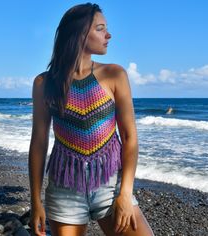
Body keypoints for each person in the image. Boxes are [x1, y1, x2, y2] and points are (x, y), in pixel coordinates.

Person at [28, 3, 154, 236]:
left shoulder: (114, 74)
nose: (108, 35)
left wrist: (125, 194)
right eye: (100, 28)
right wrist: (35, 201)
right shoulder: (44, 83)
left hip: (111, 184)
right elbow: (38, 142)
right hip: (65, 188)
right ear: (79, 33)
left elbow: (129, 137)